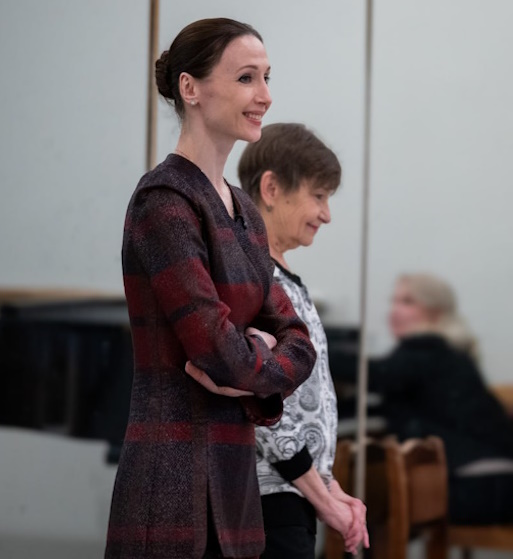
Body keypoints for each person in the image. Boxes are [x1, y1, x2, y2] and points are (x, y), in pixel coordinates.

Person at [104, 19, 317, 559]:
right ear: (190, 88)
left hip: (235, 490)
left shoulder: (245, 209)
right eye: (246, 78)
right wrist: (257, 355)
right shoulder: (163, 203)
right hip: (172, 488)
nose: (265, 95)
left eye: (267, 77)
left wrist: (253, 362)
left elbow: (299, 341)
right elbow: (218, 352)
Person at [237, 123, 369, 557]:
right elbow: (265, 408)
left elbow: (302, 410)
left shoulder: (278, 276)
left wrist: (329, 487)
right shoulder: (252, 277)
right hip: (267, 502)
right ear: (272, 189)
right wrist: (323, 498)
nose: (326, 214)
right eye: (318, 196)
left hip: (290, 495)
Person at [335, 273, 513, 525]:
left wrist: (311, 349)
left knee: (372, 499)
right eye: (394, 301)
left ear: (436, 313)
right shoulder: (449, 354)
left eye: (407, 302)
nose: (394, 310)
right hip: (497, 485)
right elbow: (388, 404)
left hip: (479, 486)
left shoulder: (428, 349)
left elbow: (375, 375)